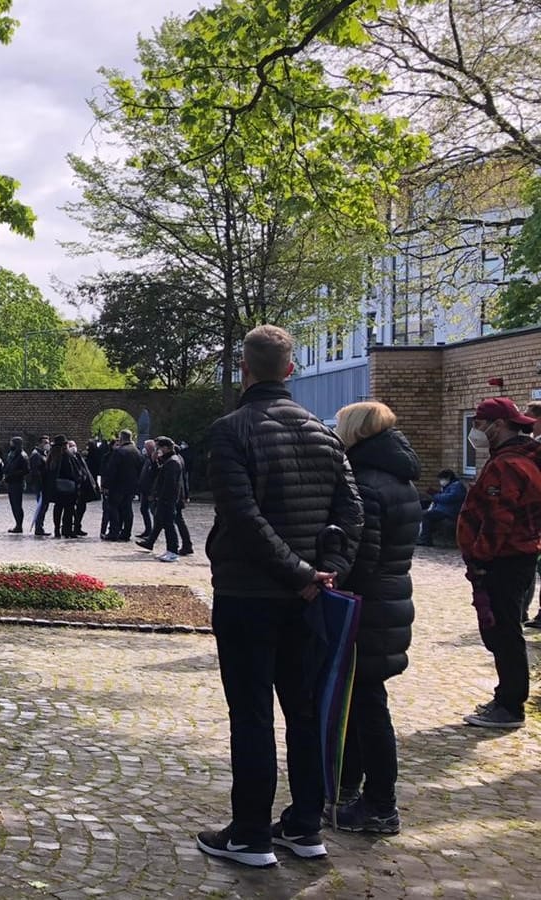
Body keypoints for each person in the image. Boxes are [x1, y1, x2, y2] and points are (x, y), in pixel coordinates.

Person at [196, 324, 363, 869]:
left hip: (251, 592)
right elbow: (351, 511)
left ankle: (250, 833)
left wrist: (298, 572)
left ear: (243, 368)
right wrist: (326, 572)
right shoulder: (323, 432)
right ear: (291, 370)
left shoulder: (230, 431)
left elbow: (243, 517)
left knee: (251, 714)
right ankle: (305, 824)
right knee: (305, 710)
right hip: (310, 598)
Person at [332, 401, 421, 834]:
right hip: (391, 598)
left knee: (368, 707)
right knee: (365, 701)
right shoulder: (398, 478)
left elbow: (360, 559)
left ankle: (380, 805)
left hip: (370, 605)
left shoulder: (366, 483)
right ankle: (351, 788)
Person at [456, 397, 541, 729]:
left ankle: (509, 704)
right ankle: (508, 697)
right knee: (506, 629)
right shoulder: (525, 458)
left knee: (504, 632)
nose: (476, 431)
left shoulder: (506, 465)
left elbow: (497, 519)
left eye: (479, 424)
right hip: (518, 555)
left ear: (500, 425)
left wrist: (479, 559)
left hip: (503, 560)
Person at [139, 437, 186, 562]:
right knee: (163, 523)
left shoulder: (173, 462)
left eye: (158, 448)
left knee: (169, 525)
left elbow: (170, 484)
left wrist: (162, 498)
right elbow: (157, 474)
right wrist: (155, 461)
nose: (157, 450)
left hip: (167, 500)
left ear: (165, 448)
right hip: (164, 499)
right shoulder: (168, 461)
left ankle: (173, 551)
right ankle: (168, 549)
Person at [101, 430, 144, 542]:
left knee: (113, 508)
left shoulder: (119, 452)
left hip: (117, 485)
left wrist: (105, 485)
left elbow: (112, 470)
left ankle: (114, 532)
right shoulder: (136, 452)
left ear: (121, 438)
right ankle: (126, 533)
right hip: (131, 486)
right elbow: (141, 469)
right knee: (127, 509)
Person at [417, 469, 466, 547]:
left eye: (442, 479)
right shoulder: (449, 486)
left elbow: (450, 498)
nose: (441, 481)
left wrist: (436, 496)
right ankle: (423, 537)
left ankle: (425, 539)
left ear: (448, 477)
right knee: (424, 513)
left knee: (426, 516)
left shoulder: (457, 485)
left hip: (449, 511)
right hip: (443, 510)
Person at [46, 435, 78, 539]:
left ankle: (57, 529)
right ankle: (67, 530)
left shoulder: (52, 456)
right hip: (68, 487)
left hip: (56, 487)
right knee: (68, 509)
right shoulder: (67, 455)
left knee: (58, 508)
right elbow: (73, 471)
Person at [2, 437, 29, 532]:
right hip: (11, 482)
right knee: (13, 505)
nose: (10, 445)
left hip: (17, 483)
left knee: (17, 505)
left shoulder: (22, 455)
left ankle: (19, 525)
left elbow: (26, 470)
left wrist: (13, 474)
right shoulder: (12, 454)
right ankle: (17, 524)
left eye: (12, 443)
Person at [29, 435, 52, 536]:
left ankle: (40, 526)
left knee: (44, 507)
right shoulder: (36, 455)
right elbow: (36, 472)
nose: (47, 444)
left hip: (44, 485)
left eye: (48, 442)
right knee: (41, 507)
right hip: (41, 486)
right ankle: (39, 527)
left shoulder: (44, 454)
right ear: (40, 443)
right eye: (45, 443)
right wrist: (41, 485)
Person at [136, 439, 158, 541]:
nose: (145, 449)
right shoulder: (147, 459)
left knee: (153, 512)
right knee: (143, 509)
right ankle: (148, 530)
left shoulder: (155, 459)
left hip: (150, 491)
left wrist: (152, 491)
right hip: (144, 489)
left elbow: (155, 476)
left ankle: (153, 533)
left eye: (147, 447)